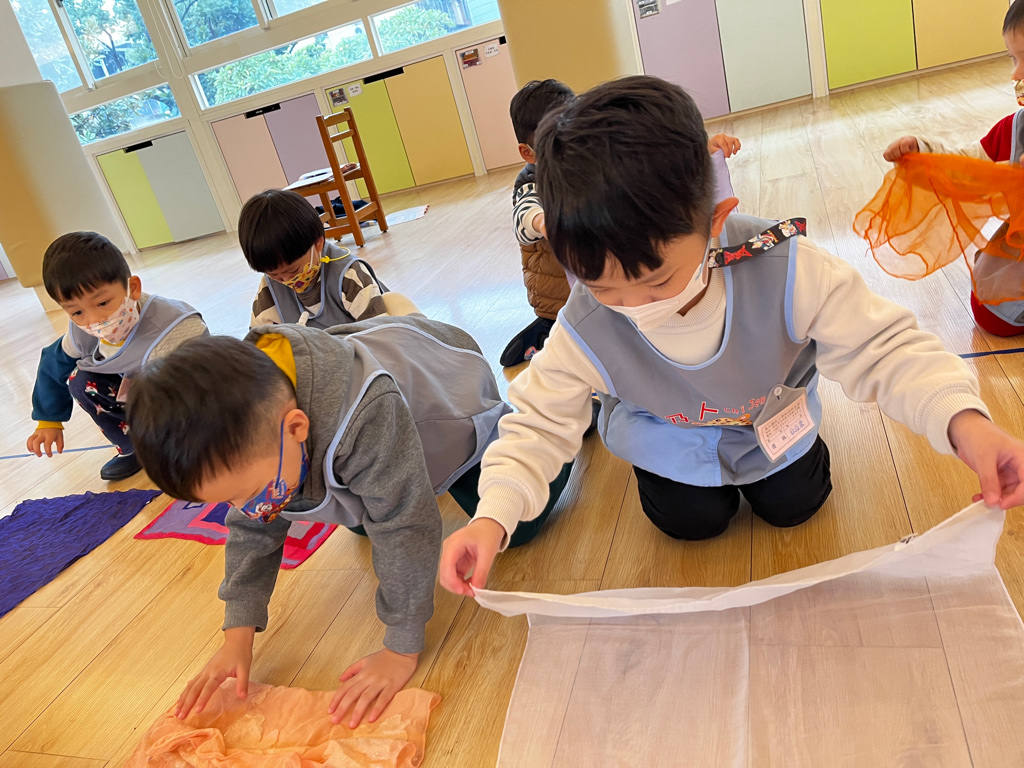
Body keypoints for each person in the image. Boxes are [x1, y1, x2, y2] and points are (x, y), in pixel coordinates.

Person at [438, 76, 1024, 596]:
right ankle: (673, 478)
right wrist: (493, 516)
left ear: (714, 219)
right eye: (602, 285)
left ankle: (788, 464)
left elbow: (884, 349)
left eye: (656, 280)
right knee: (691, 522)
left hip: (771, 421)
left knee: (796, 505)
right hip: (669, 435)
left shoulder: (785, 267)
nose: (635, 308)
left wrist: (963, 422)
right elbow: (540, 420)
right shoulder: (588, 322)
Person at [127, 317, 572, 727]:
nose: (243, 508)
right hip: (381, 427)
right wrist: (237, 634)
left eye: (246, 493)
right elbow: (253, 528)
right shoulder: (255, 426)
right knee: (362, 517)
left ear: (296, 428)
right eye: (228, 500)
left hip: (454, 400)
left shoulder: (365, 413)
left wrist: (401, 647)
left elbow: (406, 525)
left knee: (516, 526)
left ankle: (555, 434)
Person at [501, 80, 742, 366]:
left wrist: (704, 152)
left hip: (604, 279)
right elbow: (524, 216)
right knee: (581, 320)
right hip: (559, 288)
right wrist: (545, 222)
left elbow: (663, 167)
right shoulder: (531, 183)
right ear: (529, 153)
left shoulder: (596, 166)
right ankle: (547, 330)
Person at [881, 0, 1024, 335]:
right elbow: (966, 166)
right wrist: (923, 153)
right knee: (992, 312)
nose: (1016, 74)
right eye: (1013, 59)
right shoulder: (1014, 129)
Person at [26, 232, 207, 480]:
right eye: (77, 312)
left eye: (102, 303)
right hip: (134, 390)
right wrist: (49, 419)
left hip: (183, 394)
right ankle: (134, 448)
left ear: (133, 288)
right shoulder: (82, 331)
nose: (94, 319)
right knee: (80, 380)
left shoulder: (174, 328)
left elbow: (204, 386)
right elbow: (53, 362)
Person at [241, 189, 420, 329]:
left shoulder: (348, 275)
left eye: (293, 270)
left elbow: (380, 334)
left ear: (318, 243)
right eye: (275, 275)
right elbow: (259, 343)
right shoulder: (270, 288)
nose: (286, 280)